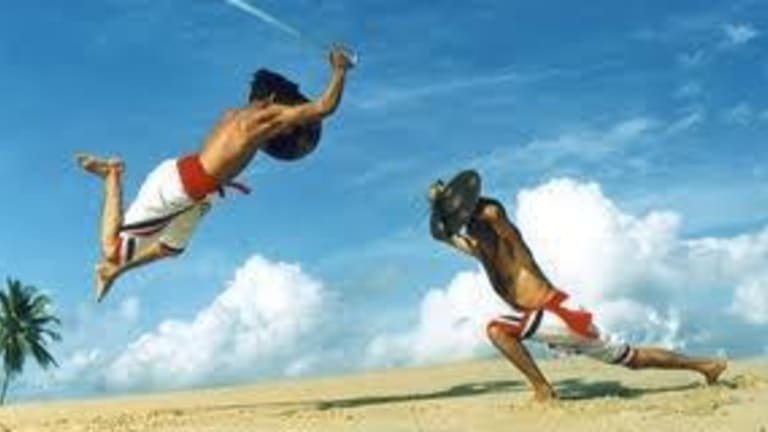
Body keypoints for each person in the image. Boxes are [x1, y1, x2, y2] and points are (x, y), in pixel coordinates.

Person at [76, 47, 354, 302]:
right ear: (271, 99)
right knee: (112, 250)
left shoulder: (234, 114)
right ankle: (112, 175)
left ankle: (114, 272)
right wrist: (340, 70)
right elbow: (324, 107)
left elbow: (222, 155)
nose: (289, 112)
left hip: (197, 189)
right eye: (287, 104)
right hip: (177, 187)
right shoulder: (263, 118)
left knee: (171, 248)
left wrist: (224, 178)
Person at [428, 170, 727, 402]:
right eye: (467, 228)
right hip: (556, 321)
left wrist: (462, 200)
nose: (470, 231)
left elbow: (495, 214)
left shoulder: (511, 242)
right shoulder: (481, 251)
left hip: (558, 314)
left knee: (497, 329)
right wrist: (440, 202)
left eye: (472, 225)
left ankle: (543, 391)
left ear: (483, 223)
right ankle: (706, 365)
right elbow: (443, 235)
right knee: (632, 358)